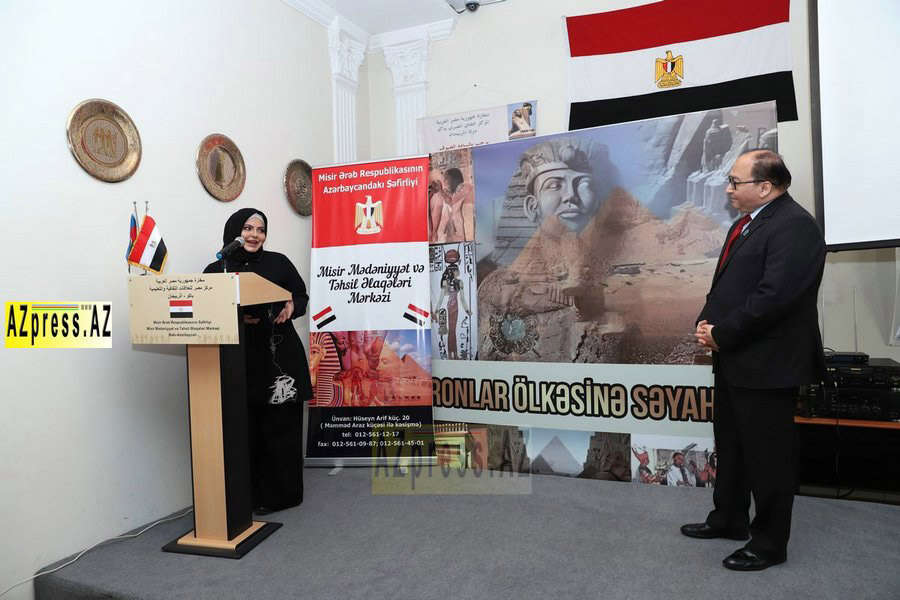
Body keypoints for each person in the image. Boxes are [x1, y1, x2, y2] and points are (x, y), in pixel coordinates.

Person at [680, 150, 825, 571]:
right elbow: (730, 286)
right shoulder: (745, 223)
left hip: (768, 364)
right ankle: (728, 519)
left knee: (769, 458)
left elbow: (774, 297)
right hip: (735, 359)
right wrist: (706, 322)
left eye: (734, 181)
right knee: (732, 446)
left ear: (765, 187)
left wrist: (722, 334)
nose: (727, 188)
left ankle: (769, 544)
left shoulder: (795, 226)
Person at [204, 208, 312, 514]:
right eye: (248, 228)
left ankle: (282, 495)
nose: (254, 235)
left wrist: (292, 306)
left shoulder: (278, 262)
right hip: (239, 358)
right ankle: (248, 495)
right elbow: (207, 306)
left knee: (279, 426)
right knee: (247, 428)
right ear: (234, 232)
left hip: (279, 355)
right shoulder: (217, 269)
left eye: (260, 230)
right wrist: (236, 319)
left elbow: (300, 295)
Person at [432, 249, 472, 359]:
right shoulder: (456, 282)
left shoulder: (453, 282)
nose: (458, 272)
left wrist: (467, 310)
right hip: (453, 305)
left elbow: (444, 298)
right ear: (454, 272)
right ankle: (452, 354)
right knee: (452, 330)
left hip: (452, 305)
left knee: (452, 330)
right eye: (457, 270)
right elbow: (460, 298)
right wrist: (467, 310)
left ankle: (453, 354)